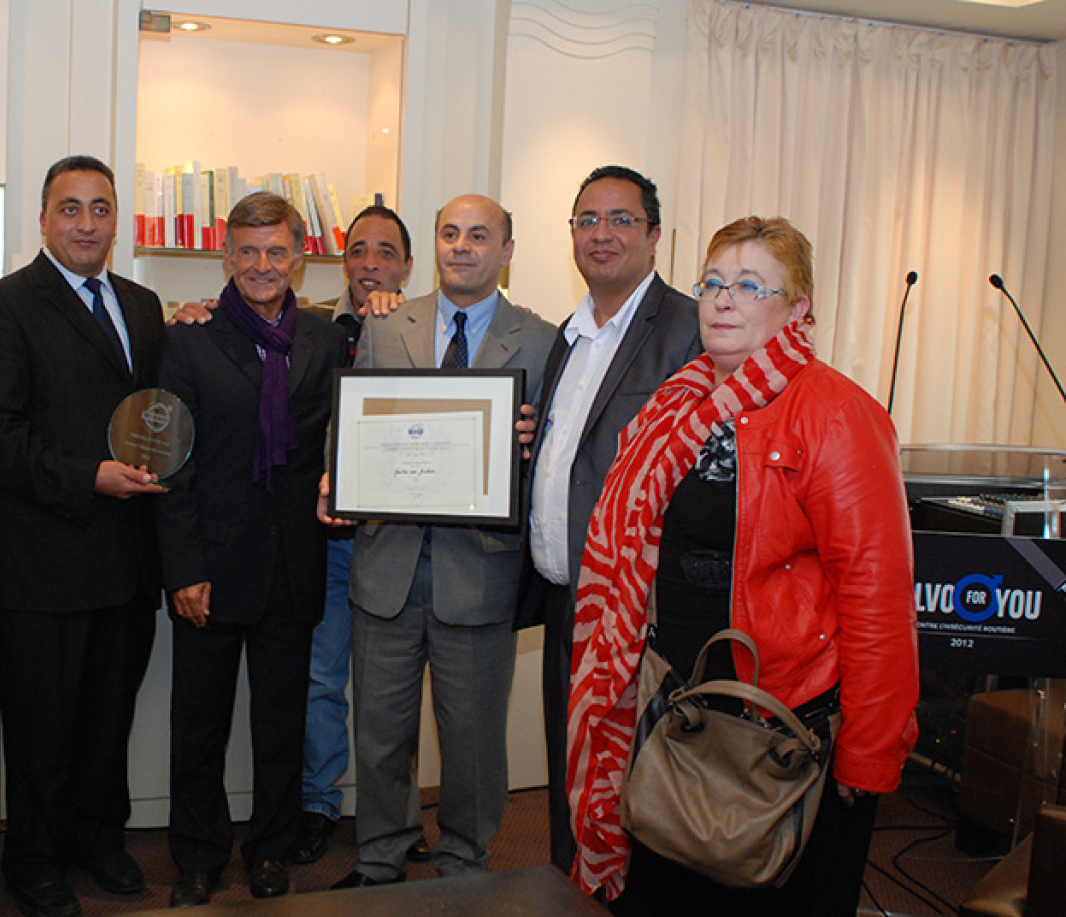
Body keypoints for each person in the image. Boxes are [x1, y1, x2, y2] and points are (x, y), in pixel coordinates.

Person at [567, 216, 919, 915]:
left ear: (797, 309)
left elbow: (878, 600)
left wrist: (868, 755)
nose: (724, 299)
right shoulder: (675, 405)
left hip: (784, 732)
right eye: (714, 282)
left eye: (751, 284)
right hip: (679, 714)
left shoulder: (837, 415)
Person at [0, 155, 166, 917]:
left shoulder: (143, 305)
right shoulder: (0, 307)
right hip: (44, 562)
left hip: (127, 562)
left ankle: (98, 841)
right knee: (41, 729)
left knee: (108, 722)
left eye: (100, 208)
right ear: (42, 219)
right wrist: (90, 477)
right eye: (69, 208)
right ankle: (35, 859)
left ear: (118, 219)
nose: (86, 223)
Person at [330, 194, 558, 887]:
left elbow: (559, 455)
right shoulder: (386, 326)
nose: (462, 246)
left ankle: (465, 865)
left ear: (506, 250)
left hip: (480, 572)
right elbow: (352, 427)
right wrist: (338, 471)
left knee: (473, 744)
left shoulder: (545, 340)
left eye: (479, 235)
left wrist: (528, 442)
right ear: (436, 244)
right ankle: (379, 859)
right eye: (450, 233)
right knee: (379, 734)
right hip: (387, 564)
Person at [158, 192, 349, 907]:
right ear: (226, 256)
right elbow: (171, 465)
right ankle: (198, 857)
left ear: (299, 255)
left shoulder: (327, 340)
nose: (262, 265)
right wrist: (184, 568)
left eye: (275, 251)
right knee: (198, 728)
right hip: (209, 568)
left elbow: (344, 440)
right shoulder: (190, 339)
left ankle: (270, 851)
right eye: (247, 251)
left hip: (293, 568)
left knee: (281, 725)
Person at [516, 165, 700, 873]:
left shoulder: (686, 327)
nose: (602, 233)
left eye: (621, 219)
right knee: (574, 772)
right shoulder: (569, 332)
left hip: (639, 609)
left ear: (655, 236)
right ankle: (574, 889)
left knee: (636, 777)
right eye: (587, 219)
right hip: (567, 599)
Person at [291, 205, 434, 866]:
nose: (369, 262)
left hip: (394, 541)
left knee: (391, 689)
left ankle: (399, 817)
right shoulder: (309, 326)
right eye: (357, 250)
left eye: (385, 251)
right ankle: (318, 802)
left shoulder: (428, 330)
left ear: (407, 264)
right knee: (322, 678)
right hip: (324, 537)